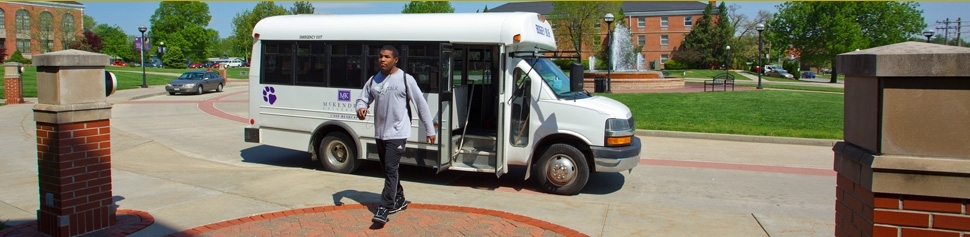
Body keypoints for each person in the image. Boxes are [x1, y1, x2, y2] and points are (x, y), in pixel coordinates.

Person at [355, 45, 436, 225]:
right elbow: (363, 98)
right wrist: (361, 108)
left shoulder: (406, 80)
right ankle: (399, 198)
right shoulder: (374, 80)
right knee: (386, 169)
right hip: (380, 133)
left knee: (391, 169)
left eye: (387, 57)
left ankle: (384, 208)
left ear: (396, 60)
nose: (382, 60)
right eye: (380, 57)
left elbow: (421, 105)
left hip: (398, 133)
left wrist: (430, 129)